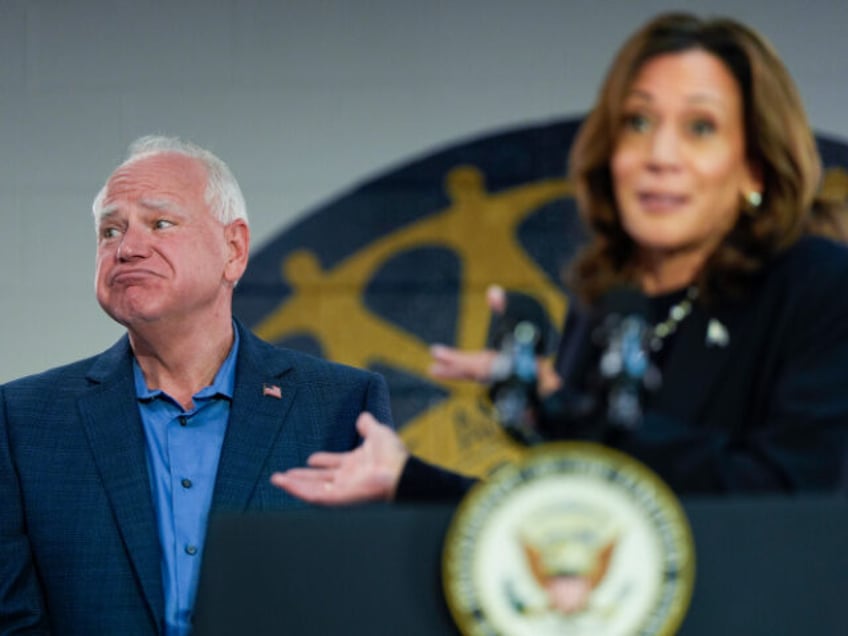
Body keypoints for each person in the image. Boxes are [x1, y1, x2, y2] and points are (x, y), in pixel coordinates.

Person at [271, 12, 848, 505]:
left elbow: (790, 496)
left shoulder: (816, 285)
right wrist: (406, 477)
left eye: (700, 127)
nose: (660, 155)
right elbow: (570, 514)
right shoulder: (607, 303)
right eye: (638, 123)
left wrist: (570, 412)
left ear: (755, 167)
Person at [0, 136, 393, 634]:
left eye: (160, 223)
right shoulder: (22, 419)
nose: (127, 248)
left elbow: (368, 605)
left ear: (234, 249)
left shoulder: (340, 407)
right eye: (109, 230)